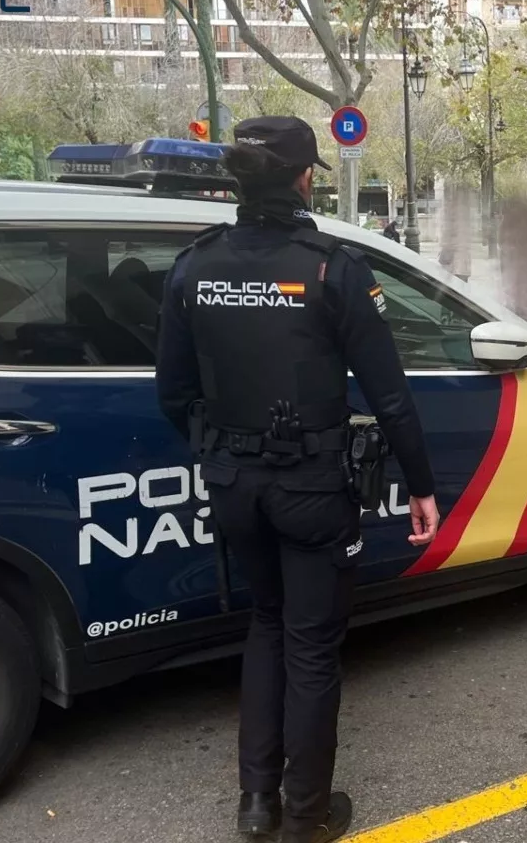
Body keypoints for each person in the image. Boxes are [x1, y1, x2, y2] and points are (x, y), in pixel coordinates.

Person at [155, 116, 442, 843]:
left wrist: (222, 450)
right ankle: (306, 815)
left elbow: (171, 393)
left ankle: (257, 805)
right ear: (305, 176)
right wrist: (420, 486)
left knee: (266, 624)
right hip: (312, 487)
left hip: (233, 487)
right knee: (311, 644)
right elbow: (391, 396)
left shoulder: (195, 265)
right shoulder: (331, 266)